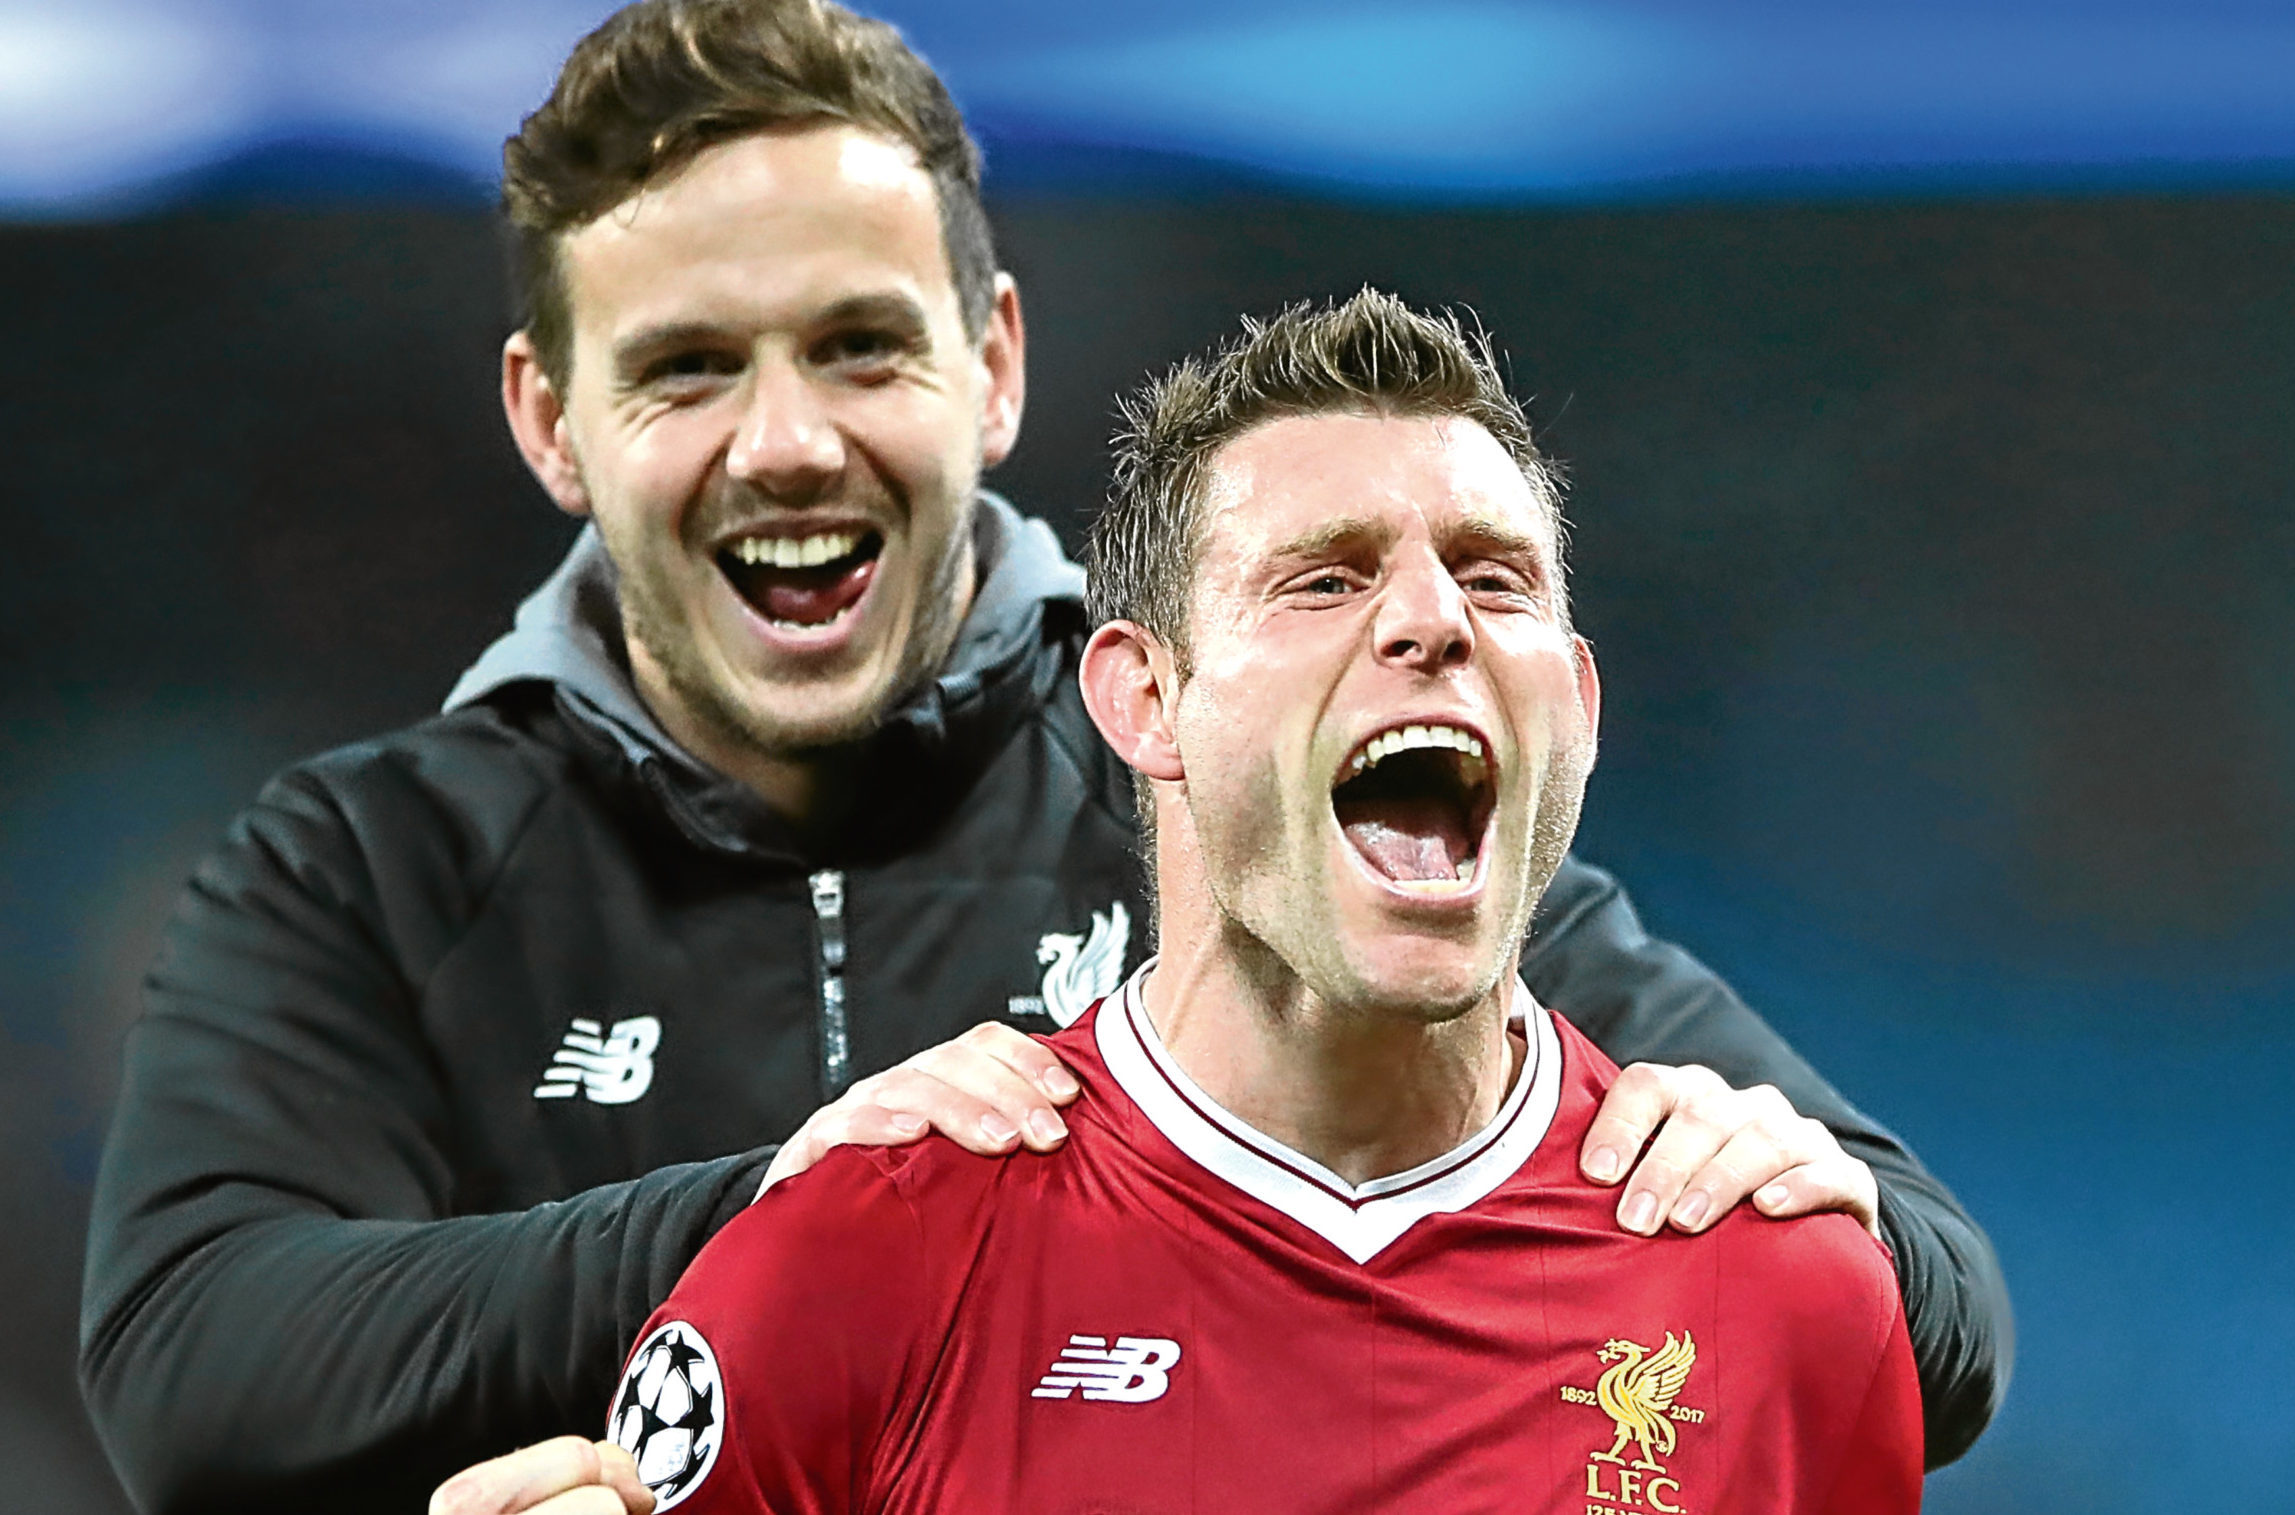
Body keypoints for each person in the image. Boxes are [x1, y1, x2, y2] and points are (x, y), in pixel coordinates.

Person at [75, 2, 2006, 1512]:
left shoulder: (1266, 794)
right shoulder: (368, 866)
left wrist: (1801, 1211)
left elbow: (1924, 1314)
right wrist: (804, 1219)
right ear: (550, 421)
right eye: (685, 369)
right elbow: (194, 1385)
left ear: (991, 365)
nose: (786, 443)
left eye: (859, 349)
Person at [609, 288, 1923, 1515]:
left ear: (1576, 708)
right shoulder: (865, 1261)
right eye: (1327, 578)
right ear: (1146, 700)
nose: (1431, 619)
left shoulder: (1781, 1295)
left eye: (1496, 577)